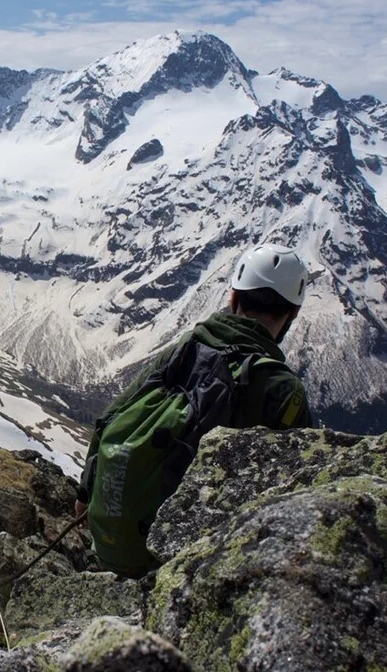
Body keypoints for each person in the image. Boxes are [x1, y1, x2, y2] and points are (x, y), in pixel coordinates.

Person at [76, 243, 314, 574]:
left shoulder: (187, 346)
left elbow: (114, 414)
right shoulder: (282, 389)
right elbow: (311, 481)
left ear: (233, 298)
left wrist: (86, 492)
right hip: (199, 564)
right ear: (293, 314)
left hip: (115, 545)